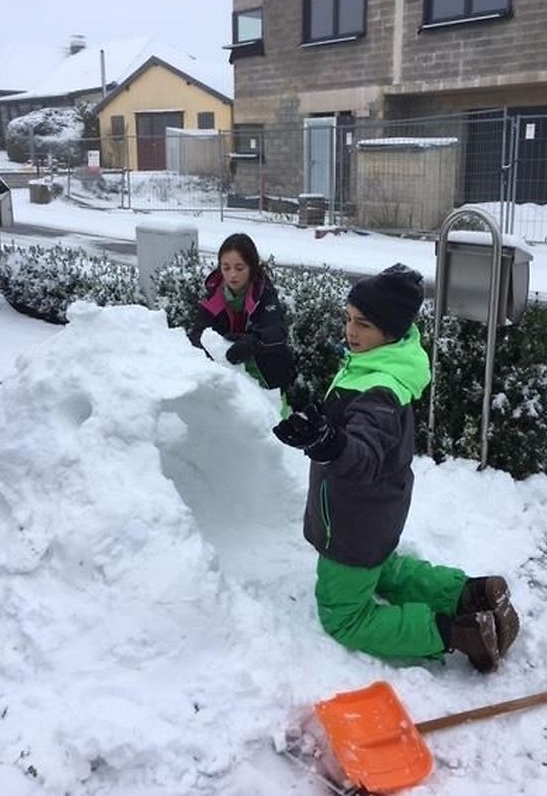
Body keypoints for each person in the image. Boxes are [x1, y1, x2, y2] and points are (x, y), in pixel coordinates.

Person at [272, 264, 519, 672]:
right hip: (375, 515)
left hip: (351, 526)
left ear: (390, 332)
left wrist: (327, 443)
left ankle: (458, 634)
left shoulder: (380, 390)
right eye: (348, 319)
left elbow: (363, 452)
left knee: (345, 616)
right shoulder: (376, 364)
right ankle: (469, 594)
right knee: (386, 569)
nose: (350, 332)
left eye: (363, 324)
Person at [188, 232, 296, 399]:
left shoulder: (263, 293)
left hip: (268, 378)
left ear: (251, 267)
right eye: (226, 267)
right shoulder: (212, 296)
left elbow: (276, 331)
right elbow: (198, 334)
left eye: (239, 268)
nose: (232, 275)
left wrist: (253, 342)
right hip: (225, 382)